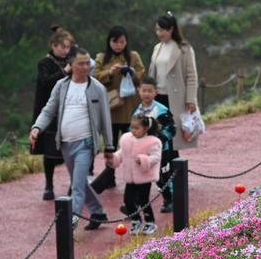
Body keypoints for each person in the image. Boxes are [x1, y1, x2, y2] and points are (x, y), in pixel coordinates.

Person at [30, 47, 115, 230]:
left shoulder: (97, 88)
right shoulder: (61, 86)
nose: (85, 67)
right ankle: (98, 212)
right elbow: (48, 110)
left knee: (76, 186)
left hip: (86, 143)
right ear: (71, 64)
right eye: (80, 63)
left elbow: (105, 119)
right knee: (80, 182)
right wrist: (37, 128)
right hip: (66, 144)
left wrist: (109, 146)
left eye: (87, 63)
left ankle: (70, 224)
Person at [148, 12, 198, 213]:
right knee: (163, 146)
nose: (159, 33)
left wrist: (190, 100)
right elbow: (152, 74)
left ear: (171, 29)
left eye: (162, 29)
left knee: (170, 146)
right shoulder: (157, 48)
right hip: (158, 99)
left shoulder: (184, 48)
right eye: (157, 29)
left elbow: (191, 75)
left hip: (174, 100)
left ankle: (172, 189)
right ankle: (171, 187)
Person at [91, 26, 145, 193]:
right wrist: (110, 72)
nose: (119, 45)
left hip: (130, 108)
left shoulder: (133, 56)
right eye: (115, 42)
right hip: (111, 108)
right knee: (111, 145)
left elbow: (141, 74)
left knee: (132, 145)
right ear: (109, 42)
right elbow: (95, 77)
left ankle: (132, 176)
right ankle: (109, 176)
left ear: (126, 42)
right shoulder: (101, 57)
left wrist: (131, 72)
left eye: (122, 42)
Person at [31, 26, 74, 200]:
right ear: (54, 45)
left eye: (68, 47)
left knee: (72, 150)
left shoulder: (72, 60)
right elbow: (46, 82)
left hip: (70, 110)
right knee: (49, 151)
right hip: (50, 111)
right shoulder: (45, 62)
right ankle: (48, 185)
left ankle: (74, 184)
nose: (65, 50)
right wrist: (65, 71)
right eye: (62, 47)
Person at [108, 114, 162, 235]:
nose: (133, 130)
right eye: (131, 127)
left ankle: (150, 222)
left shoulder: (153, 142)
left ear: (145, 128)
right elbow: (121, 153)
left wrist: (143, 159)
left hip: (144, 177)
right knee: (127, 200)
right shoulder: (127, 139)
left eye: (136, 128)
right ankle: (136, 220)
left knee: (143, 200)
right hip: (130, 177)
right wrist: (113, 157)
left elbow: (156, 157)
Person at [131, 76, 176, 213]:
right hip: (142, 151)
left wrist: (158, 140)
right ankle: (135, 203)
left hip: (160, 151)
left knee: (162, 177)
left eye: (150, 91)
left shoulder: (162, 110)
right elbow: (132, 128)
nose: (146, 94)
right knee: (140, 176)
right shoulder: (137, 111)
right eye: (144, 90)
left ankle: (169, 200)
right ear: (139, 91)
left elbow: (171, 129)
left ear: (155, 92)